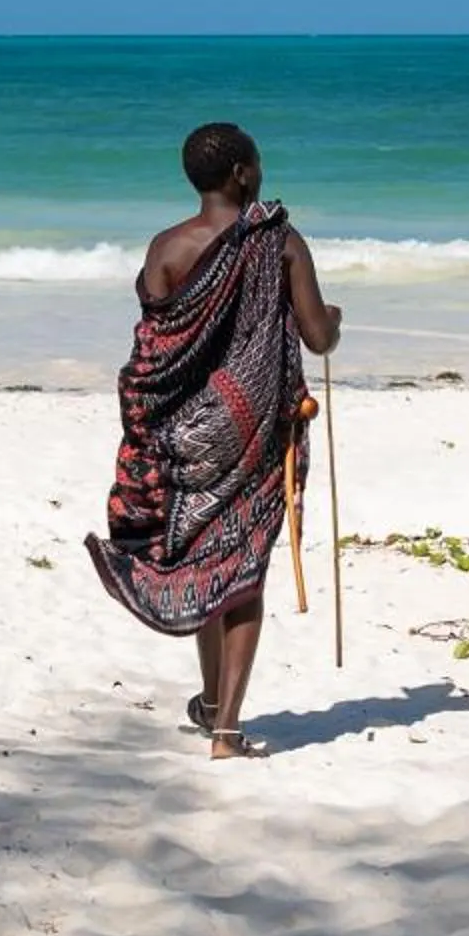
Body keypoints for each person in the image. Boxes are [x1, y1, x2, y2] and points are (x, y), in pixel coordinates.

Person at [85, 121, 342, 757]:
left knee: (205, 560)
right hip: (252, 432)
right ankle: (226, 728)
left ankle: (208, 702)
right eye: (258, 162)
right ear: (242, 175)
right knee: (244, 567)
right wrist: (333, 319)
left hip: (185, 437)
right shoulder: (277, 241)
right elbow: (317, 336)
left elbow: (158, 347)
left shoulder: (165, 247)